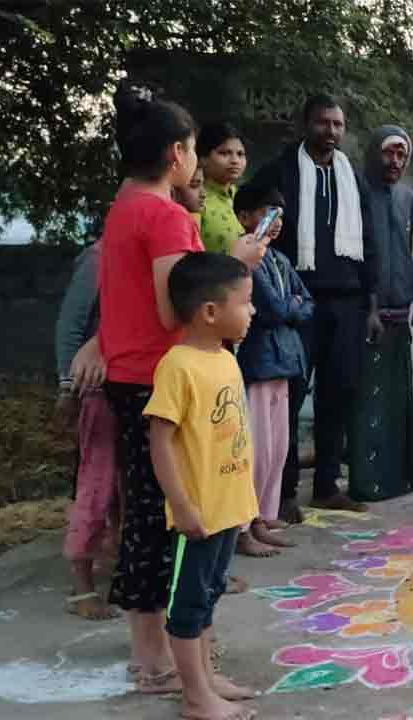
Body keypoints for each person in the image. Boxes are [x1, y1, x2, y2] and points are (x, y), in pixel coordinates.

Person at [99, 95, 264, 692]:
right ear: (178, 154)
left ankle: (153, 656)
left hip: (127, 373)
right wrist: (234, 262)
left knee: (144, 517)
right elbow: (178, 308)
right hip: (160, 379)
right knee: (170, 521)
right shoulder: (167, 215)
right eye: (196, 148)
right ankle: (164, 662)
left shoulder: (123, 206)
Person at [243, 93, 379, 515]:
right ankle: (280, 494)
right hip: (296, 306)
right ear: (307, 125)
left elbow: (370, 242)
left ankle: (325, 486)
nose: (332, 132)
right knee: (291, 395)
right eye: (324, 123)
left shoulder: (352, 177)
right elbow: (251, 214)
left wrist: (371, 306)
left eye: (338, 125)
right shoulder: (280, 172)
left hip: (348, 304)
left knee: (339, 393)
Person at [145, 252, 260, 720]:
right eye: (246, 302)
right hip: (198, 514)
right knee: (188, 605)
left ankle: (207, 680)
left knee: (210, 594)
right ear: (211, 312)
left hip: (229, 506)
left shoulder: (226, 360)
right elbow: (160, 442)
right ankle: (195, 697)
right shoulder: (178, 366)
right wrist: (182, 504)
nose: (252, 312)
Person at [235, 185, 312, 553]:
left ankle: (263, 516)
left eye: (280, 215)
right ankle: (243, 526)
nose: (276, 222)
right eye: (268, 213)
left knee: (278, 448)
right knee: (256, 449)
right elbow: (276, 308)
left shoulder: (279, 259)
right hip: (259, 362)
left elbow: (305, 302)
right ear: (245, 218)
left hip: (285, 360)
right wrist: (291, 307)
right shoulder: (245, 260)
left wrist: (290, 306)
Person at [348, 125, 413, 502]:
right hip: (368, 314)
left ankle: (398, 480)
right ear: (375, 152)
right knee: (368, 400)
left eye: (401, 155)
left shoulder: (408, 198)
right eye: (389, 153)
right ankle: (368, 482)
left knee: (397, 400)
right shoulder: (356, 191)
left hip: (400, 313)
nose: (394, 161)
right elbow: (357, 252)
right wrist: (370, 306)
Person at [54, 240, 118, 620]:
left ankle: (115, 563)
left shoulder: (163, 252)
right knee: (98, 484)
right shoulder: (101, 257)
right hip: (102, 387)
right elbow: (72, 323)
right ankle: (82, 583)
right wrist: (67, 386)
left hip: (141, 386)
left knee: (128, 488)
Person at [194, 122, 248, 255]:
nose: (235, 160)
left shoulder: (246, 198)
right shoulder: (196, 199)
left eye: (240, 154)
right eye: (224, 153)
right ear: (203, 158)